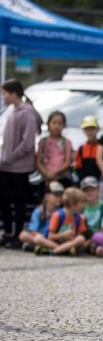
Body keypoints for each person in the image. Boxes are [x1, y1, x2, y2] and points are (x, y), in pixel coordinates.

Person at [0, 79, 42, 248]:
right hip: (6, 165)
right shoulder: (14, 110)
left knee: (19, 202)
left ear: (13, 93)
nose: (3, 97)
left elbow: (28, 143)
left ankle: (18, 234)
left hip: (18, 167)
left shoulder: (26, 112)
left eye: (4, 93)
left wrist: (11, 156)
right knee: (4, 199)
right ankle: (9, 232)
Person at [32, 187, 86, 256]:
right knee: (38, 238)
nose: (83, 205)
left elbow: (79, 236)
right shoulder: (58, 215)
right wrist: (63, 235)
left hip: (68, 243)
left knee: (81, 239)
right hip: (54, 242)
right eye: (81, 203)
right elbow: (50, 236)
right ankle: (62, 250)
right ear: (73, 204)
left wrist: (72, 237)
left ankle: (54, 251)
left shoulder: (79, 218)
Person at [18, 181, 63, 250]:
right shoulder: (39, 211)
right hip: (41, 236)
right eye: (56, 195)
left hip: (54, 237)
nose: (59, 198)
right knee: (23, 235)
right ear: (47, 196)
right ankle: (56, 247)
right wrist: (41, 236)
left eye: (61, 195)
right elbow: (33, 230)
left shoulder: (62, 211)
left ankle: (45, 247)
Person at [36, 111, 72, 188]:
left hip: (62, 178)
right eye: (54, 123)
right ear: (48, 124)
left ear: (63, 126)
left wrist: (54, 173)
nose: (57, 126)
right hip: (46, 178)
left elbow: (67, 162)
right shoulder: (43, 141)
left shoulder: (66, 142)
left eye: (60, 123)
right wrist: (47, 173)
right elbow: (38, 162)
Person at [74, 116, 102, 183]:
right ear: (83, 131)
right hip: (85, 183)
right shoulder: (81, 149)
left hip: (100, 182)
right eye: (87, 129)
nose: (90, 132)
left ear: (98, 129)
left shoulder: (102, 147)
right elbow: (78, 168)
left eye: (92, 128)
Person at [79, 176, 103, 241]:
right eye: (86, 190)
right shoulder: (81, 207)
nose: (89, 192)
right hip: (84, 235)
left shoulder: (102, 207)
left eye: (92, 189)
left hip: (99, 235)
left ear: (98, 190)